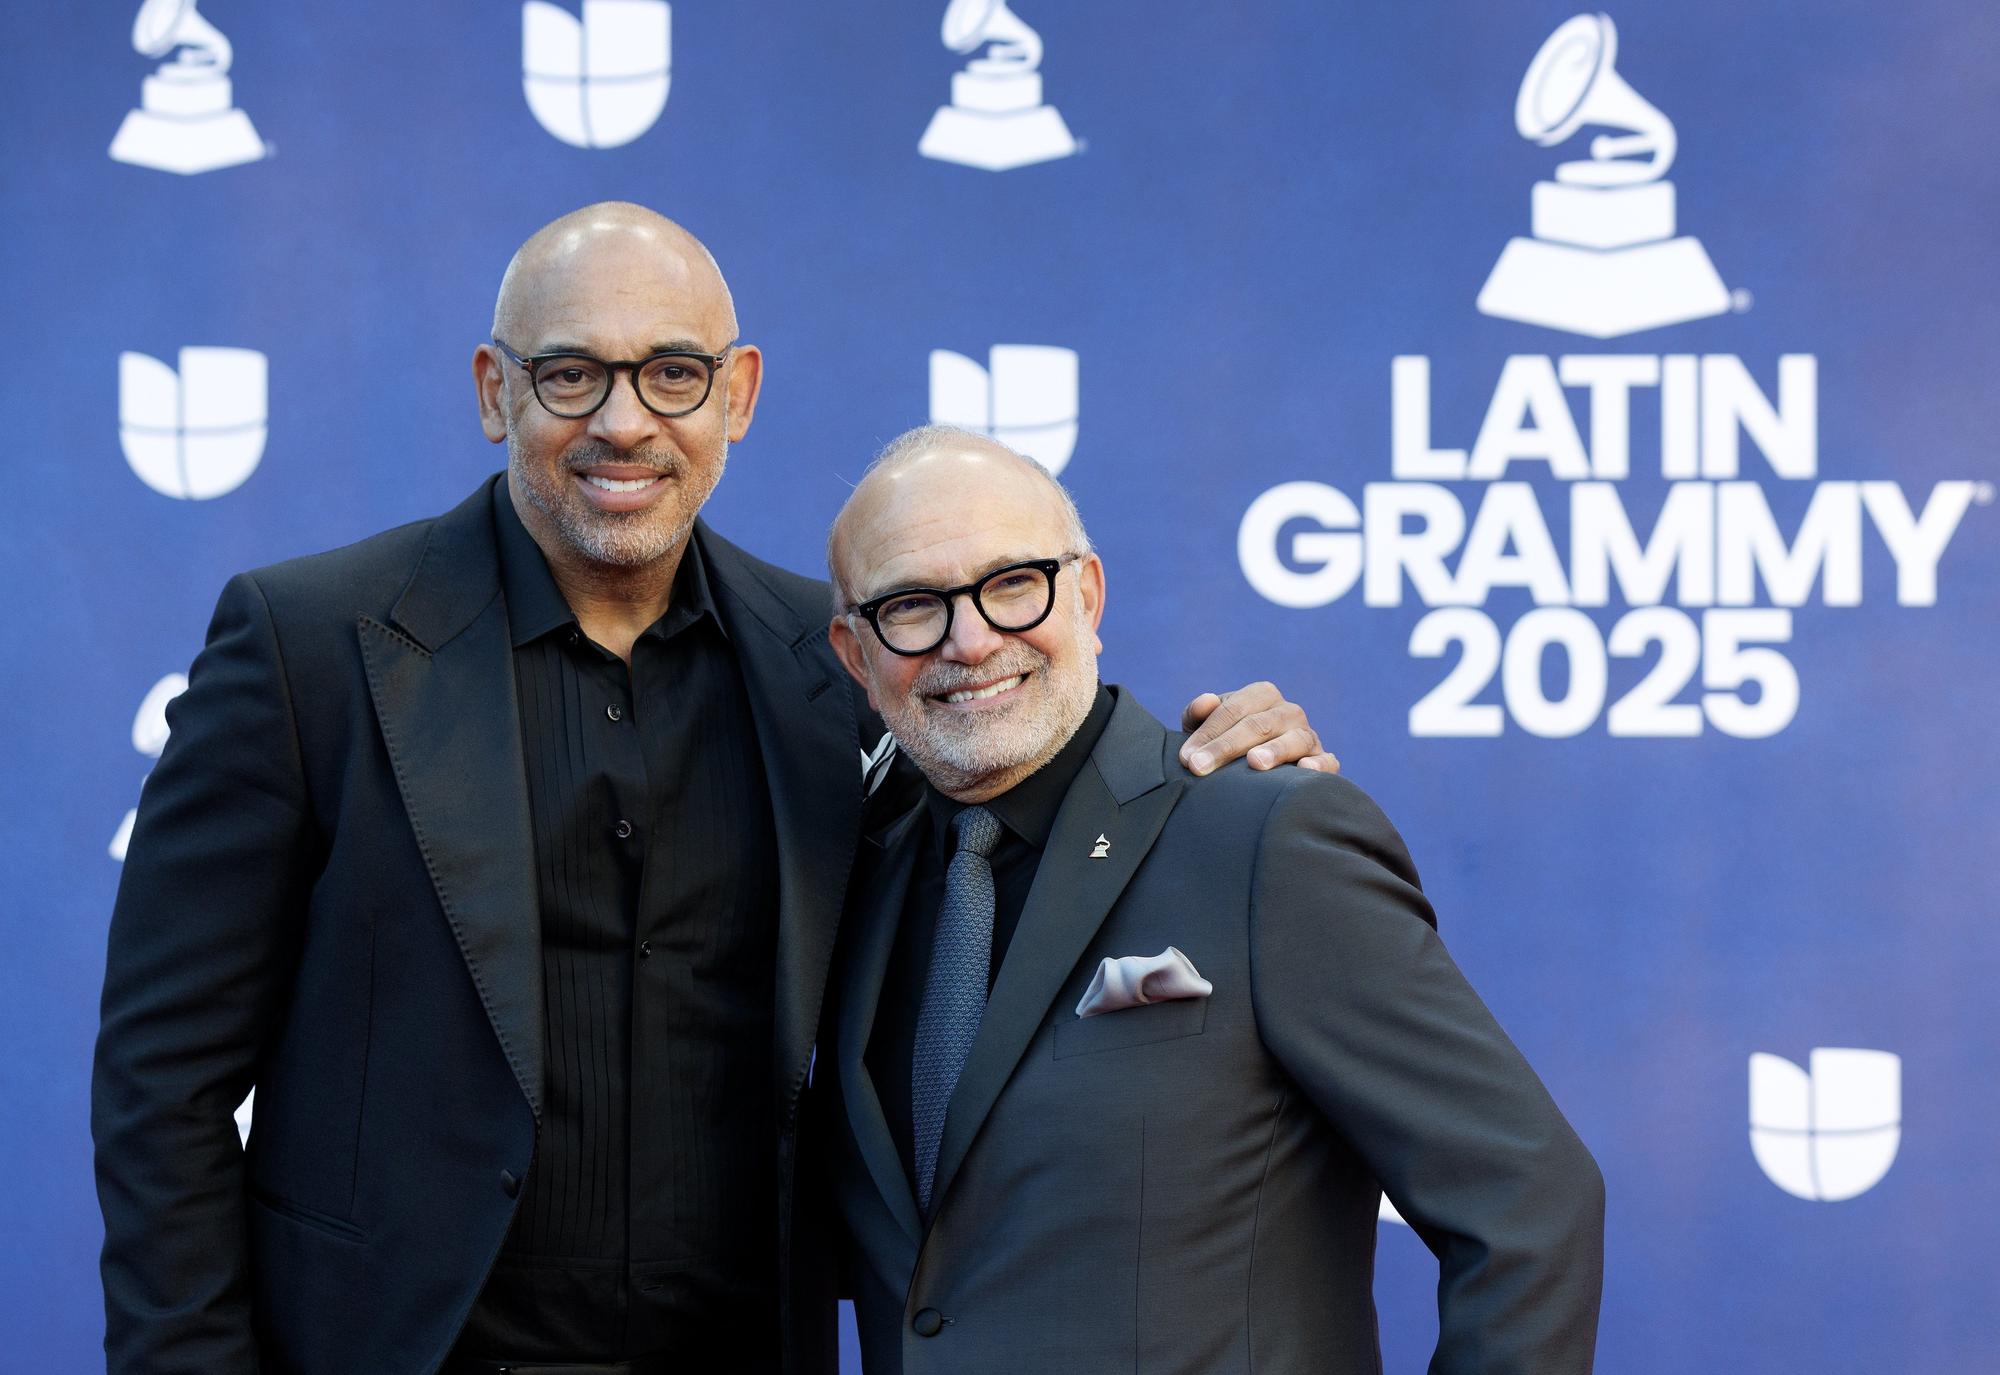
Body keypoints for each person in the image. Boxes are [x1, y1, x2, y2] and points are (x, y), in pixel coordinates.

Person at [90, 202, 1336, 1375]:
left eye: (672, 374)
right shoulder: (309, 644)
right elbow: (164, 1081)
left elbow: (1033, 776)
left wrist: (1227, 759)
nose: (623, 423)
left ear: (735, 396)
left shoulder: (838, 657)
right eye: (570, 373)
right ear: (493, 392)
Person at [822, 426, 1606, 1374]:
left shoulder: (1263, 838)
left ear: (1088, 592)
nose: (972, 637)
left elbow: (1529, 1204)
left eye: (1012, 582)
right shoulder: (847, 874)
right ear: (855, 653)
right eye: (912, 605)